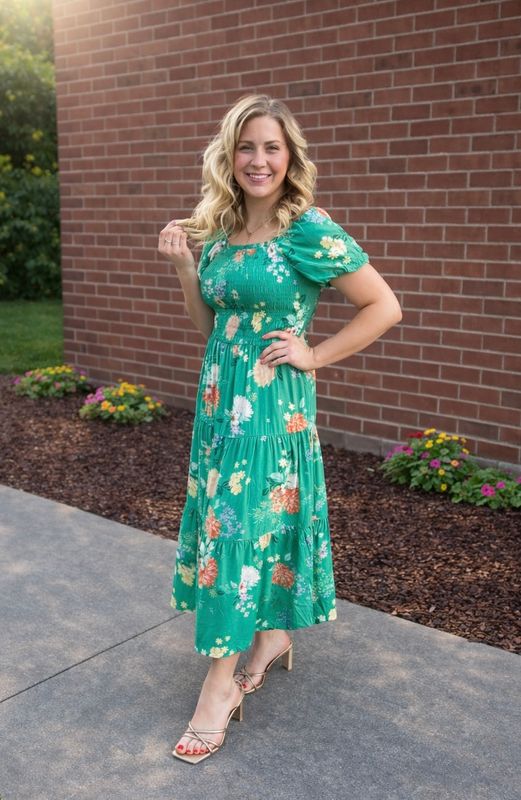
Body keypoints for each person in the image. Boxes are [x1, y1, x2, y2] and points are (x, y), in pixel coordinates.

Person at [158, 94, 402, 764]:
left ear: (288, 155)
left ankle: (218, 689)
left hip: (270, 410)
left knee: (238, 532)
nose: (257, 160)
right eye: (245, 147)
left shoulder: (307, 229)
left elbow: (383, 305)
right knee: (230, 526)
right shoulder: (223, 227)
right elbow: (211, 330)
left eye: (270, 147)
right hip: (218, 407)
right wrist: (186, 268)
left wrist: (315, 353)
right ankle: (269, 638)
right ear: (228, 156)